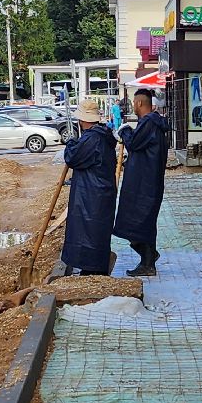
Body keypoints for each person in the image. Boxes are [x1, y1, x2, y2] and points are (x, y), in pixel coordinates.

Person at [113, 88, 169, 277]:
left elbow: (134, 143)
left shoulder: (149, 124)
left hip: (144, 185)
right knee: (141, 223)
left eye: (134, 103)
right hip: (147, 182)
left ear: (139, 103)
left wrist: (126, 131)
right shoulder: (153, 124)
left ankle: (148, 261)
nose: (133, 107)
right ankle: (148, 258)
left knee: (137, 223)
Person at [61, 97, 118, 276]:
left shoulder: (92, 139)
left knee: (89, 232)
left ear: (82, 120)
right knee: (97, 232)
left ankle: (92, 270)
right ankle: (94, 268)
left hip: (91, 195)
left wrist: (71, 143)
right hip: (99, 192)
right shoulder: (102, 135)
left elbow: (72, 157)